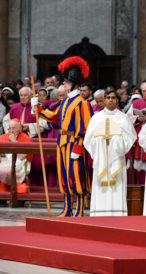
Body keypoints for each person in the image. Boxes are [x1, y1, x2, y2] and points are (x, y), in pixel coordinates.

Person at [32, 56, 93, 217]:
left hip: (74, 144)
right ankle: (67, 209)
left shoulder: (82, 103)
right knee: (65, 177)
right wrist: (37, 108)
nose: (63, 84)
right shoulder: (65, 101)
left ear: (73, 83)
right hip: (63, 143)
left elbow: (88, 128)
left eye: (66, 81)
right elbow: (55, 119)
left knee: (77, 177)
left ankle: (78, 211)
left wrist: (79, 147)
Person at [84, 89, 137, 216]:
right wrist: (100, 141)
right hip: (101, 159)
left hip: (116, 159)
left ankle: (118, 214)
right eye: (108, 97)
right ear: (104, 100)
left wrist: (115, 140)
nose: (110, 100)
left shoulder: (123, 118)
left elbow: (130, 139)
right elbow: (88, 141)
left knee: (117, 188)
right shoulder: (96, 118)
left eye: (113, 98)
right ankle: (99, 214)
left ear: (117, 100)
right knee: (101, 189)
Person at [0, 119, 33, 193]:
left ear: (20, 129)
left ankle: (12, 188)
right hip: (4, 163)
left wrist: (14, 142)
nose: (11, 130)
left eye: (13, 128)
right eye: (9, 128)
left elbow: (27, 156)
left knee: (9, 170)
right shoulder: (2, 137)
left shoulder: (27, 139)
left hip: (20, 164)